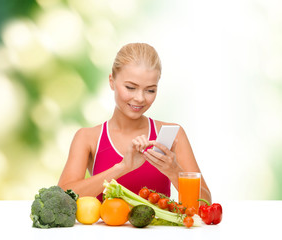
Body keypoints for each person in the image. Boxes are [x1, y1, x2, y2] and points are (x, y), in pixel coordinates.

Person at [58, 43, 212, 204]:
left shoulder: (173, 134)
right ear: (112, 81)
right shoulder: (87, 138)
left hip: (161, 230)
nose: (140, 98)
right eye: (131, 87)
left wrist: (174, 171)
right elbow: (62, 198)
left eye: (150, 90)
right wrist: (122, 167)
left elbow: (205, 204)